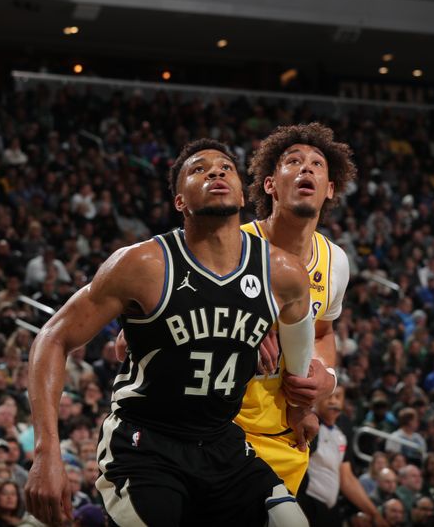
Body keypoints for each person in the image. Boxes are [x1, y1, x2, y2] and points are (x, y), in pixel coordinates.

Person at [25, 139, 314, 526]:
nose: (215, 172)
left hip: (221, 442)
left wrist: (301, 406)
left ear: (244, 195)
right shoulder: (143, 264)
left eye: (226, 167)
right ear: (180, 202)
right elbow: (53, 337)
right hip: (146, 443)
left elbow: (300, 335)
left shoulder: (282, 273)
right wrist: (46, 451)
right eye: (199, 169)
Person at [235, 123, 356, 495]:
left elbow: (323, 331)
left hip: (286, 432)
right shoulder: (232, 245)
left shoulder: (335, 260)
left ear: (330, 189)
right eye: (293, 161)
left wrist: (326, 377)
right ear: (270, 183)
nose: (307, 169)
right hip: (220, 425)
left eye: (318, 164)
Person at [297, 386, 385, 526]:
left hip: (330, 507)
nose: (333, 401)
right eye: (328, 396)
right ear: (317, 398)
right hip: (306, 503)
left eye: (338, 397)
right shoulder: (307, 422)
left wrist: (374, 513)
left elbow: (347, 478)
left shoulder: (343, 427)